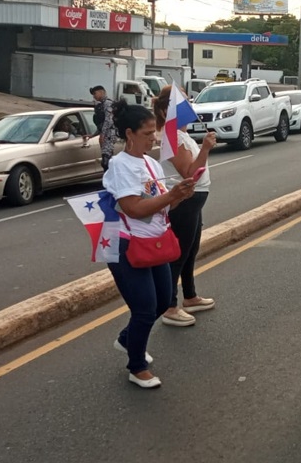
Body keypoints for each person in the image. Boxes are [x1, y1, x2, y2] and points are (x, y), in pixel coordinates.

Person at [103, 100, 196, 388]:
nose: (154, 138)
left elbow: (163, 205)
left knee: (160, 300)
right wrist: (170, 197)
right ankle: (136, 365)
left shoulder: (150, 163)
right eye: (147, 133)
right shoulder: (120, 165)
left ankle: (127, 339)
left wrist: (181, 194)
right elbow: (134, 209)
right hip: (128, 245)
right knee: (144, 307)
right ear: (129, 134)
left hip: (154, 242)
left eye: (154, 132)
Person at [152, 85, 218, 327]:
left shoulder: (180, 134)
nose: (190, 108)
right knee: (178, 253)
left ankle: (190, 296)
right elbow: (189, 173)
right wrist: (206, 149)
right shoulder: (172, 136)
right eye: (184, 104)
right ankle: (169, 306)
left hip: (195, 199)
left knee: (190, 249)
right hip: (185, 199)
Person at [91, 85, 116, 171]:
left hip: (109, 134)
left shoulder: (108, 103)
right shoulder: (101, 105)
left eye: (95, 93)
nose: (94, 96)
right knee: (106, 159)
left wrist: (103, 134)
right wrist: (93, 135)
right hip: (106, 134)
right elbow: (101, 123)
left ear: (102, 92)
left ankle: (109, 181)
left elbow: (108, 121)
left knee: (106, 161)